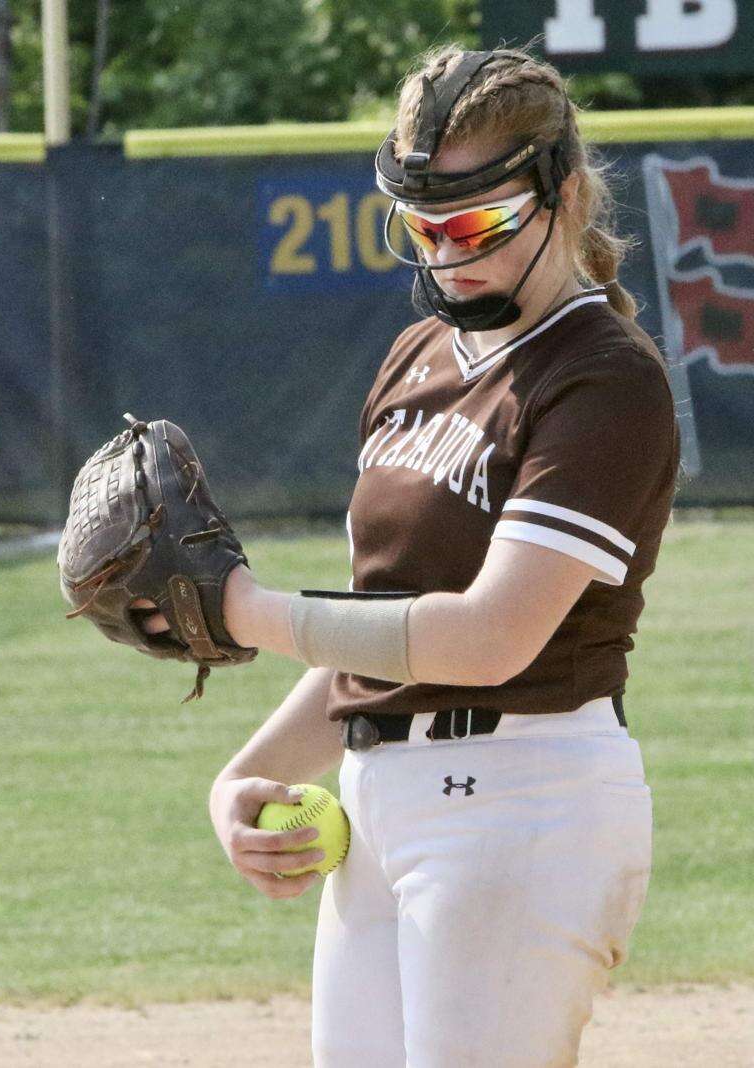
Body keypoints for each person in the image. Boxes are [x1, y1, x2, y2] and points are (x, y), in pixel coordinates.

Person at [141, 44, 681, 1067]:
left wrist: (242, 609)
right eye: (422, 226)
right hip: (377, 805)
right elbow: (382, 626)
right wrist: (247, 771)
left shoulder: (602, 377)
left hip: (524, 806)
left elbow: (485, 638)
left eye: (475, 222)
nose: (446, 254)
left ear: (560, 192)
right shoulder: (416, 357)